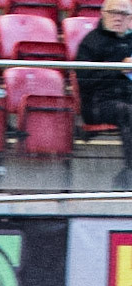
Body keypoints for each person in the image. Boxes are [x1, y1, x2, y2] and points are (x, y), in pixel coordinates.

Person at [76, 0, 132, 190]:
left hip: (127, 99)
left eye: (124, 14)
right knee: (127, 112)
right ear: (103, 13)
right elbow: (85, 80)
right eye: (113, 12)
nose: (118, 17)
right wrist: (119, 69)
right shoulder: (91, 42)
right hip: (97, 103)